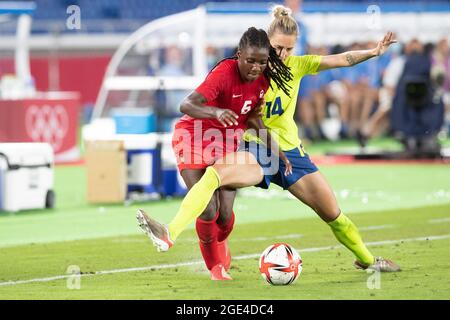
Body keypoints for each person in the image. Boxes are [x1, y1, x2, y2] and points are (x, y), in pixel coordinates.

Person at [138, 6, 401, 279]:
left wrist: (373, 52)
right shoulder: (252, 67)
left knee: (332, 213)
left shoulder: (296, 66)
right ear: (267, 43)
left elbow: (342, 60)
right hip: (254, 146)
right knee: (216, 180)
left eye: (289, 48)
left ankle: (368, 260)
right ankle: (171, 233)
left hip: (290, 152)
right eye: (277, 48)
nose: (283, 55)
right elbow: (224, 97)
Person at [137, 26, 293, 280]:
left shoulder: (264, 81)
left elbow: (254, 121)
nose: (255, 67)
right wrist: (216, 112)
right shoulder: (223, 73)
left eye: (262, 62)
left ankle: (216, 246)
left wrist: (278, 152)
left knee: (224, 215)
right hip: (194, 137)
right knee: (208, 208)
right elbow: (186, 104)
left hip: (227, 142)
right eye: (250, 61)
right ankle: (214, 267)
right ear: (239, 54)